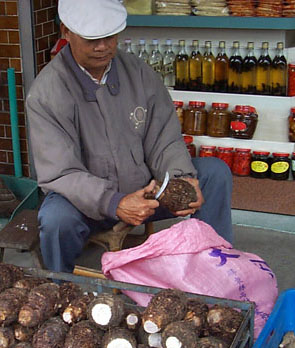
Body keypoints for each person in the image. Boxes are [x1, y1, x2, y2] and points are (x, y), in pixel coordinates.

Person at [26, 0, 233, 273]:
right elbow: (61, 173)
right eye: (92, 39)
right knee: (54, 219)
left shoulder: (139, 73)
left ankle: (217, 267)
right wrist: (115, 203)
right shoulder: (46, 94)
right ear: (66, 31)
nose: (102, 47)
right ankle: (60, 289)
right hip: (87, 206)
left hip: (146, 191)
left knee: (214, 173)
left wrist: (182, 178)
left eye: (109, 37)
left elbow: (164, 137)